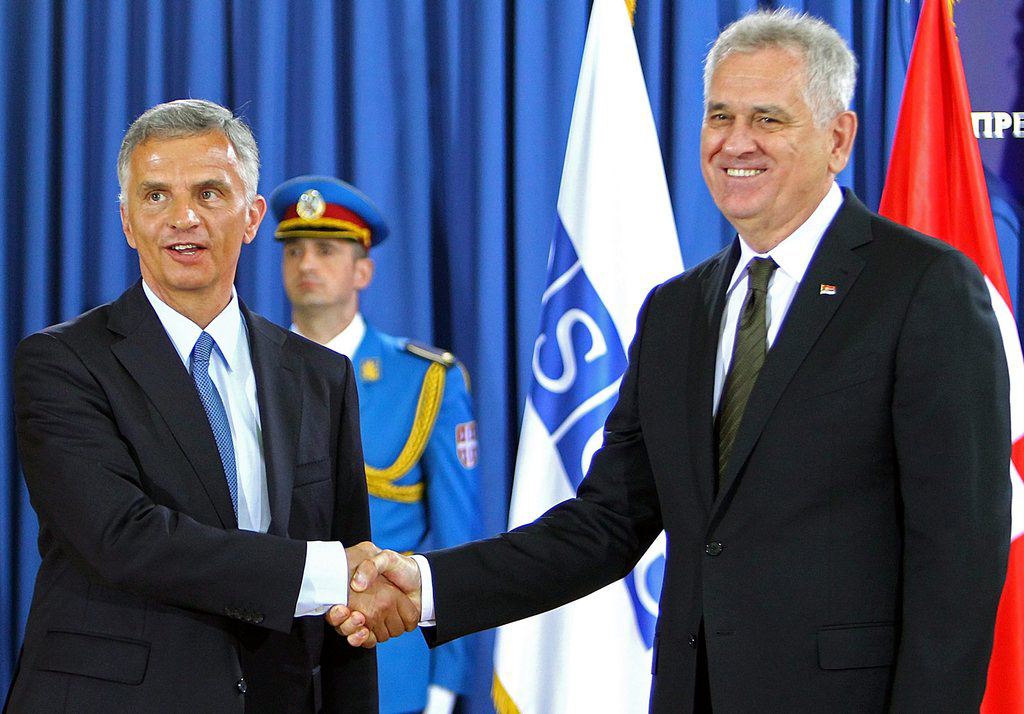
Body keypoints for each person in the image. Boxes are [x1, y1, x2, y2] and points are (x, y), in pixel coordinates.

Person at [332, 9, 1012, 713]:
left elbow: (958, 560)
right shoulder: (677, 311)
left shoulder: (923, 289)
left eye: (767, 119)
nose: (734, 143)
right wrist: (427, 583)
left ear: (838, 139)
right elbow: (605, 523)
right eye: (719, 116)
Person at [4, 99, 418, 714]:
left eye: (208, 193)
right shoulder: (62, 362)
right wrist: (329, 572)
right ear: (126, 221)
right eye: (154, 197)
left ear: (251, 217)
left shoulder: (320, 377)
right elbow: (124, 538)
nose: (182, 218)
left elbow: (347, 607)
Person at [273, 176, 479, 714]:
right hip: (266, 664)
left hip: (389, 665)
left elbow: (455, 538)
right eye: (293, 250)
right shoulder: (246, 372)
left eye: (325, 249)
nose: (306, 264)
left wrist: (445, 681)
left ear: (363, 269)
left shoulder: (425, 379)